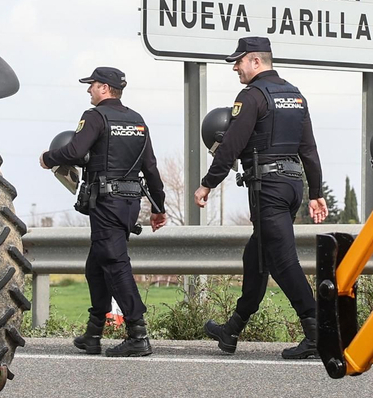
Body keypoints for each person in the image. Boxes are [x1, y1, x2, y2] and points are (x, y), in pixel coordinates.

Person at [196, 36, 328, 358]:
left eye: (238, 61)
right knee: (256, 257)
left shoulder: (252, 96)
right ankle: (232, 330)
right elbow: (308, 148)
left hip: (267, 187)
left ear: (256, 61)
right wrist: (315, 192)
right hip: (292, 186)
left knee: (282, 262)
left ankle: (316, 331)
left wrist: (208, 184)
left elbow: (231, 144)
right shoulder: (295, 97)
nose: (235, 67)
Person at [40, 66, 168, 357]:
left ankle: (138, 333)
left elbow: (74, 151)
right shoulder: (137, 121)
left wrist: (48, 158)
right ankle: (93, 334)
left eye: (92, 85)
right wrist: (159, 207)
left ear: (105, 88)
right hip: (130, 203)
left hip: (107, 202)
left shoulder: (95, 117)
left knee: (114, 262)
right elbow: (150, 167)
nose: (89, 90)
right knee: (96, 265)